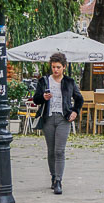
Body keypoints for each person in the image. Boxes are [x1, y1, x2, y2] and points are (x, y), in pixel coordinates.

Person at [33, 52, 83, 195]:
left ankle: (59, 181)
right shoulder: (44, 81)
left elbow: (79, 99)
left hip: (63, 119)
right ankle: (53, 176)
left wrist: (75, 112)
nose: (55, 70)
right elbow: (36, 99)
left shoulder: (69, 82)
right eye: (53, 67)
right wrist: (43, 97)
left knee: (59, 150)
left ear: (64, 67)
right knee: (51, 150)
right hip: (48, 118)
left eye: (58, 67)